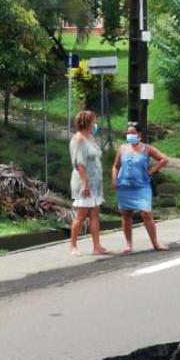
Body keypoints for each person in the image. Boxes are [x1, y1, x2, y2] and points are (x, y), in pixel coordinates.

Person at [112, 123, 169, 253]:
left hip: (142, 186)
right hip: (124, 186)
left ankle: (155, 243)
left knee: (146, 213)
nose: (130, 135)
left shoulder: (147, 149)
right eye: (128, 133)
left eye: (132, 133)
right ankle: (128, 244)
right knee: (126, 215)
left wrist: (151, 171)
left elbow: (164, 159)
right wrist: (114, 179)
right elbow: (116, 166)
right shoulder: (122, 148)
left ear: (139, 134)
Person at [69, 110, 109, 256]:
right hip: (84, 182)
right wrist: (85, 183)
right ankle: (73, 245)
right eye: (94, 121)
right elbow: (79, 164)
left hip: (95, 183)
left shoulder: (90, 138)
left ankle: (97, 246)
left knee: (94, 213)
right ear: (88, 123)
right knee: (81, 215)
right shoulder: (78, 140)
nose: (95, 124)